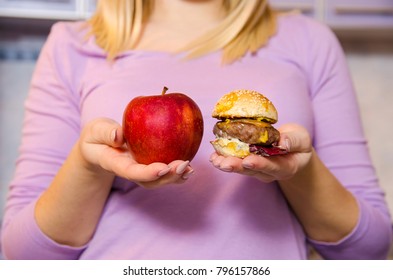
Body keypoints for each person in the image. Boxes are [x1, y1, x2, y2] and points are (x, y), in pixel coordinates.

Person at [1, 0, 392, 260]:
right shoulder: (70, 46)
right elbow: (21, 255)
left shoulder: (310, 42)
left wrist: (300, 172)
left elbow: (370, 250)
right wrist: (90, 167)